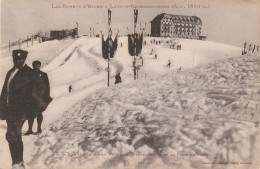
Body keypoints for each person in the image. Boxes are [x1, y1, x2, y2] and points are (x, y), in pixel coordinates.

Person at [0, 49, 35, 169]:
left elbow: (34, 93)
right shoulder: (10, 72)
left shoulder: (29, 73)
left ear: (24, 59)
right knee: (12, 136)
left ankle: (17, 163)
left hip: (22, 110)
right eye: (16, 59)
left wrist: (28, 110)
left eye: (20, 59)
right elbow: (5, 91)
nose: (18, 60)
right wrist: (2, 108)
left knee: (13, 134)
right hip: (10, 109)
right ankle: (18, 162)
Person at [25, 60, 52, 135]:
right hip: (30, 97)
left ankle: (39, 128)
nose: (36, 67)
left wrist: (47, 96)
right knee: (30, 113)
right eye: (35, 65)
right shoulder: (29, 74)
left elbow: (47, 86)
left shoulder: (43, 75)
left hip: (40, 97)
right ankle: (30, 129)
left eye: (38, 65)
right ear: (33, 66)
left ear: (40, 66)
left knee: (39, 112)